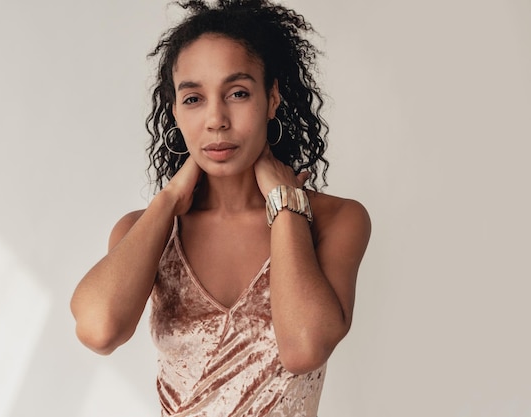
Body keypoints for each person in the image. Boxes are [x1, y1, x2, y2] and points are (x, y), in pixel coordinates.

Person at [70, 0, 371, 415]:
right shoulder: (147, 229)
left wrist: (285, 205)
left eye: (238, 93)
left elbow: (304, 348)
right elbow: (99, 330)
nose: (216, 119)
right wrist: (169, 200)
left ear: (272, 99)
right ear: (174, 110)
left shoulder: (336, 219)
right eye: (193, 98)